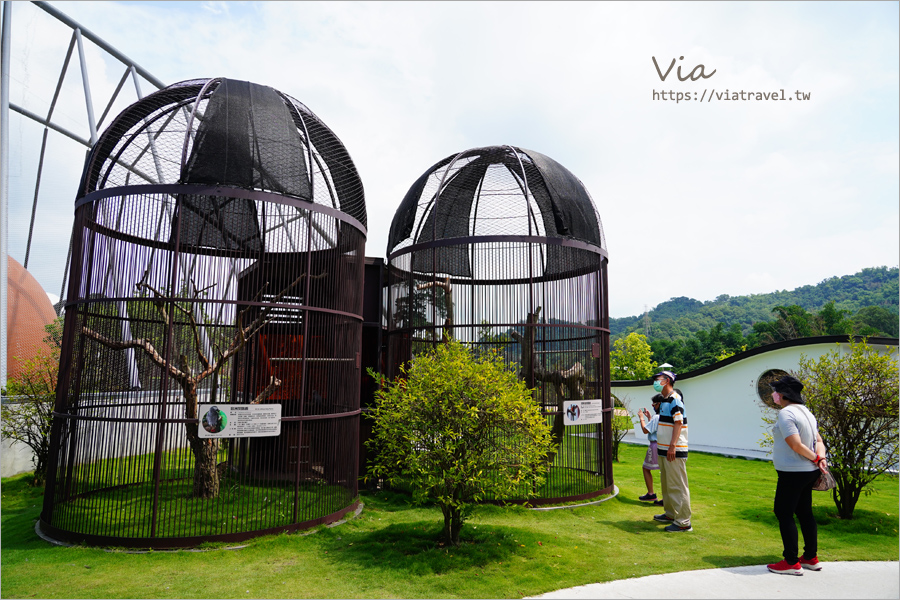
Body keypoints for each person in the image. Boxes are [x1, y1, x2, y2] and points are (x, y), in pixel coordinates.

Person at [766, 375, 828, 575]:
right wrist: (820, 458)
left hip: (793, 472)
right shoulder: (807, 412)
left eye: (776, 391)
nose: (774, 394)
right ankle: (811, 557)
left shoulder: (787, 413)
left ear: (782, 394)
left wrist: (817, 459)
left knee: (783, 512)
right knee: (804, 513)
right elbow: (818, 440)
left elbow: (795, 444)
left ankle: (791, 561)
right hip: (807, 472)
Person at [651, 370, 692, 532]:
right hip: (664, 449)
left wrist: (672, 446)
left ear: (667, 381)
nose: (654, 382)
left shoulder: (675, 400)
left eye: (657, 379)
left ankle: (683, 522)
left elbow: (678, 423)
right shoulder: (665, 400)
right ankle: (670, 513)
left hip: (673, 450)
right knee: (667, 484)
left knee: (677, 485)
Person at [637, 395, 664, 506]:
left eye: (654, 404)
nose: (653, 407)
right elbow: (655, 429)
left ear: (659, 404)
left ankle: (651, 493)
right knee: (664, 471)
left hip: (654, 445)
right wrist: (649, 418)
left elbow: (645, 430)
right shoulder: (664, 416)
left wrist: (641, 418)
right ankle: (664, 497)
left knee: (646, 468)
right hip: (662, 445)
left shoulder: (657, 417)